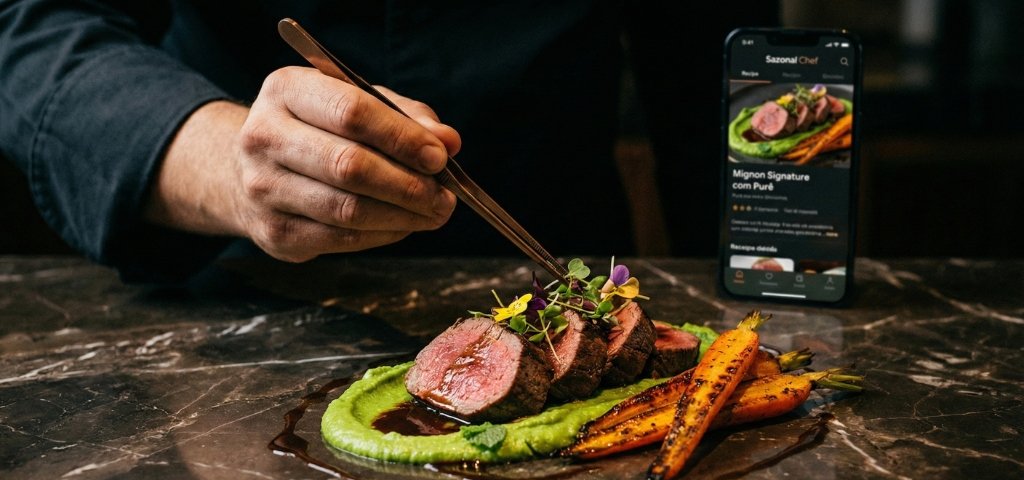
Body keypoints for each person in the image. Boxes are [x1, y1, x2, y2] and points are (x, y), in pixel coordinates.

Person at [0, 2, 777, 283]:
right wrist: (229, 166)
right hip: (244, 289)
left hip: (560, 266)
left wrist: (763, 275)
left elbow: (711, 59)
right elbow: (33, 31)